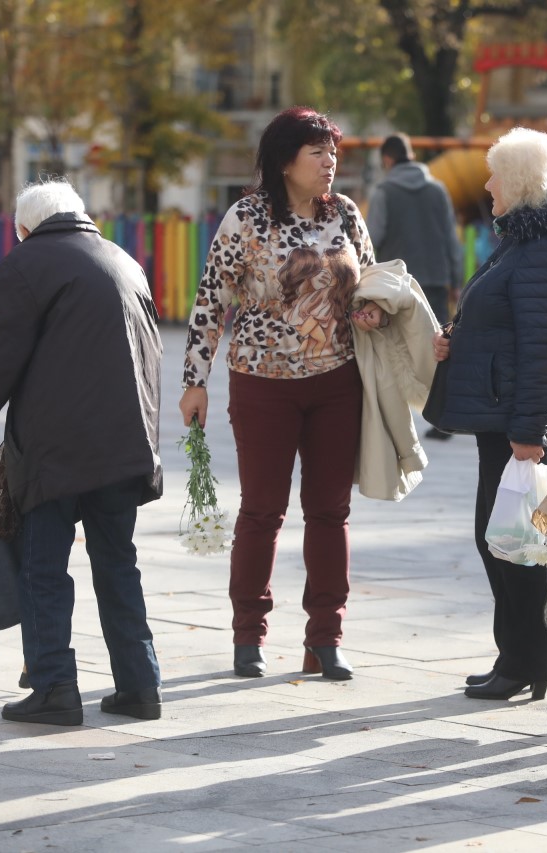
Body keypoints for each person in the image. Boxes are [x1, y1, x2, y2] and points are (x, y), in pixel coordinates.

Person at [0, 178, 165, 726]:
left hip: (56, 450)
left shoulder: (25, 265)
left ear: (22, 229)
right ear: (81, 215)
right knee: (117, 563)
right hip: (123, 445)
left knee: (42, 567)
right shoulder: (124, 262)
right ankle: (140, 687)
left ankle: (55, 688)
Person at [178, 107, 382, 682]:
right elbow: (210, 301)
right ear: (285, 161)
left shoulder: (345, 213)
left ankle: (326, 637)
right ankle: (249, 636)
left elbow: (370, 282)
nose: (329, 162)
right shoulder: (248, 218)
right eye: (317, 152)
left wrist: (370, 311)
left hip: (337, 383)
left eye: (333, 151)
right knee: (262, 511)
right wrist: (195, 381)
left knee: (330, 512)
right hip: (263, 384)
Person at [428, 128, 547, 702]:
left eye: (495, 174)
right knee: (502, 539)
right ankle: (519, 657)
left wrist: (529, 433)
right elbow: (505, 321)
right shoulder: (522, 242)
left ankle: (526, 662)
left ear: (521, 182)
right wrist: (461, 337)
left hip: (517, 421)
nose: (486, 184)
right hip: (501, 413)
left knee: (514, 545)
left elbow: (546, 350)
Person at [366, 133, 465, 441]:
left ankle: (393, 420)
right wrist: (456, 280)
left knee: (392, 351)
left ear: (387, 160)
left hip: (396, 285)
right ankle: (443, 419)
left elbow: (373, 239)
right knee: (437, 351)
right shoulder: (438, 190)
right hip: (434, 279)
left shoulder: (384, 192)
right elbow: (451, 238)